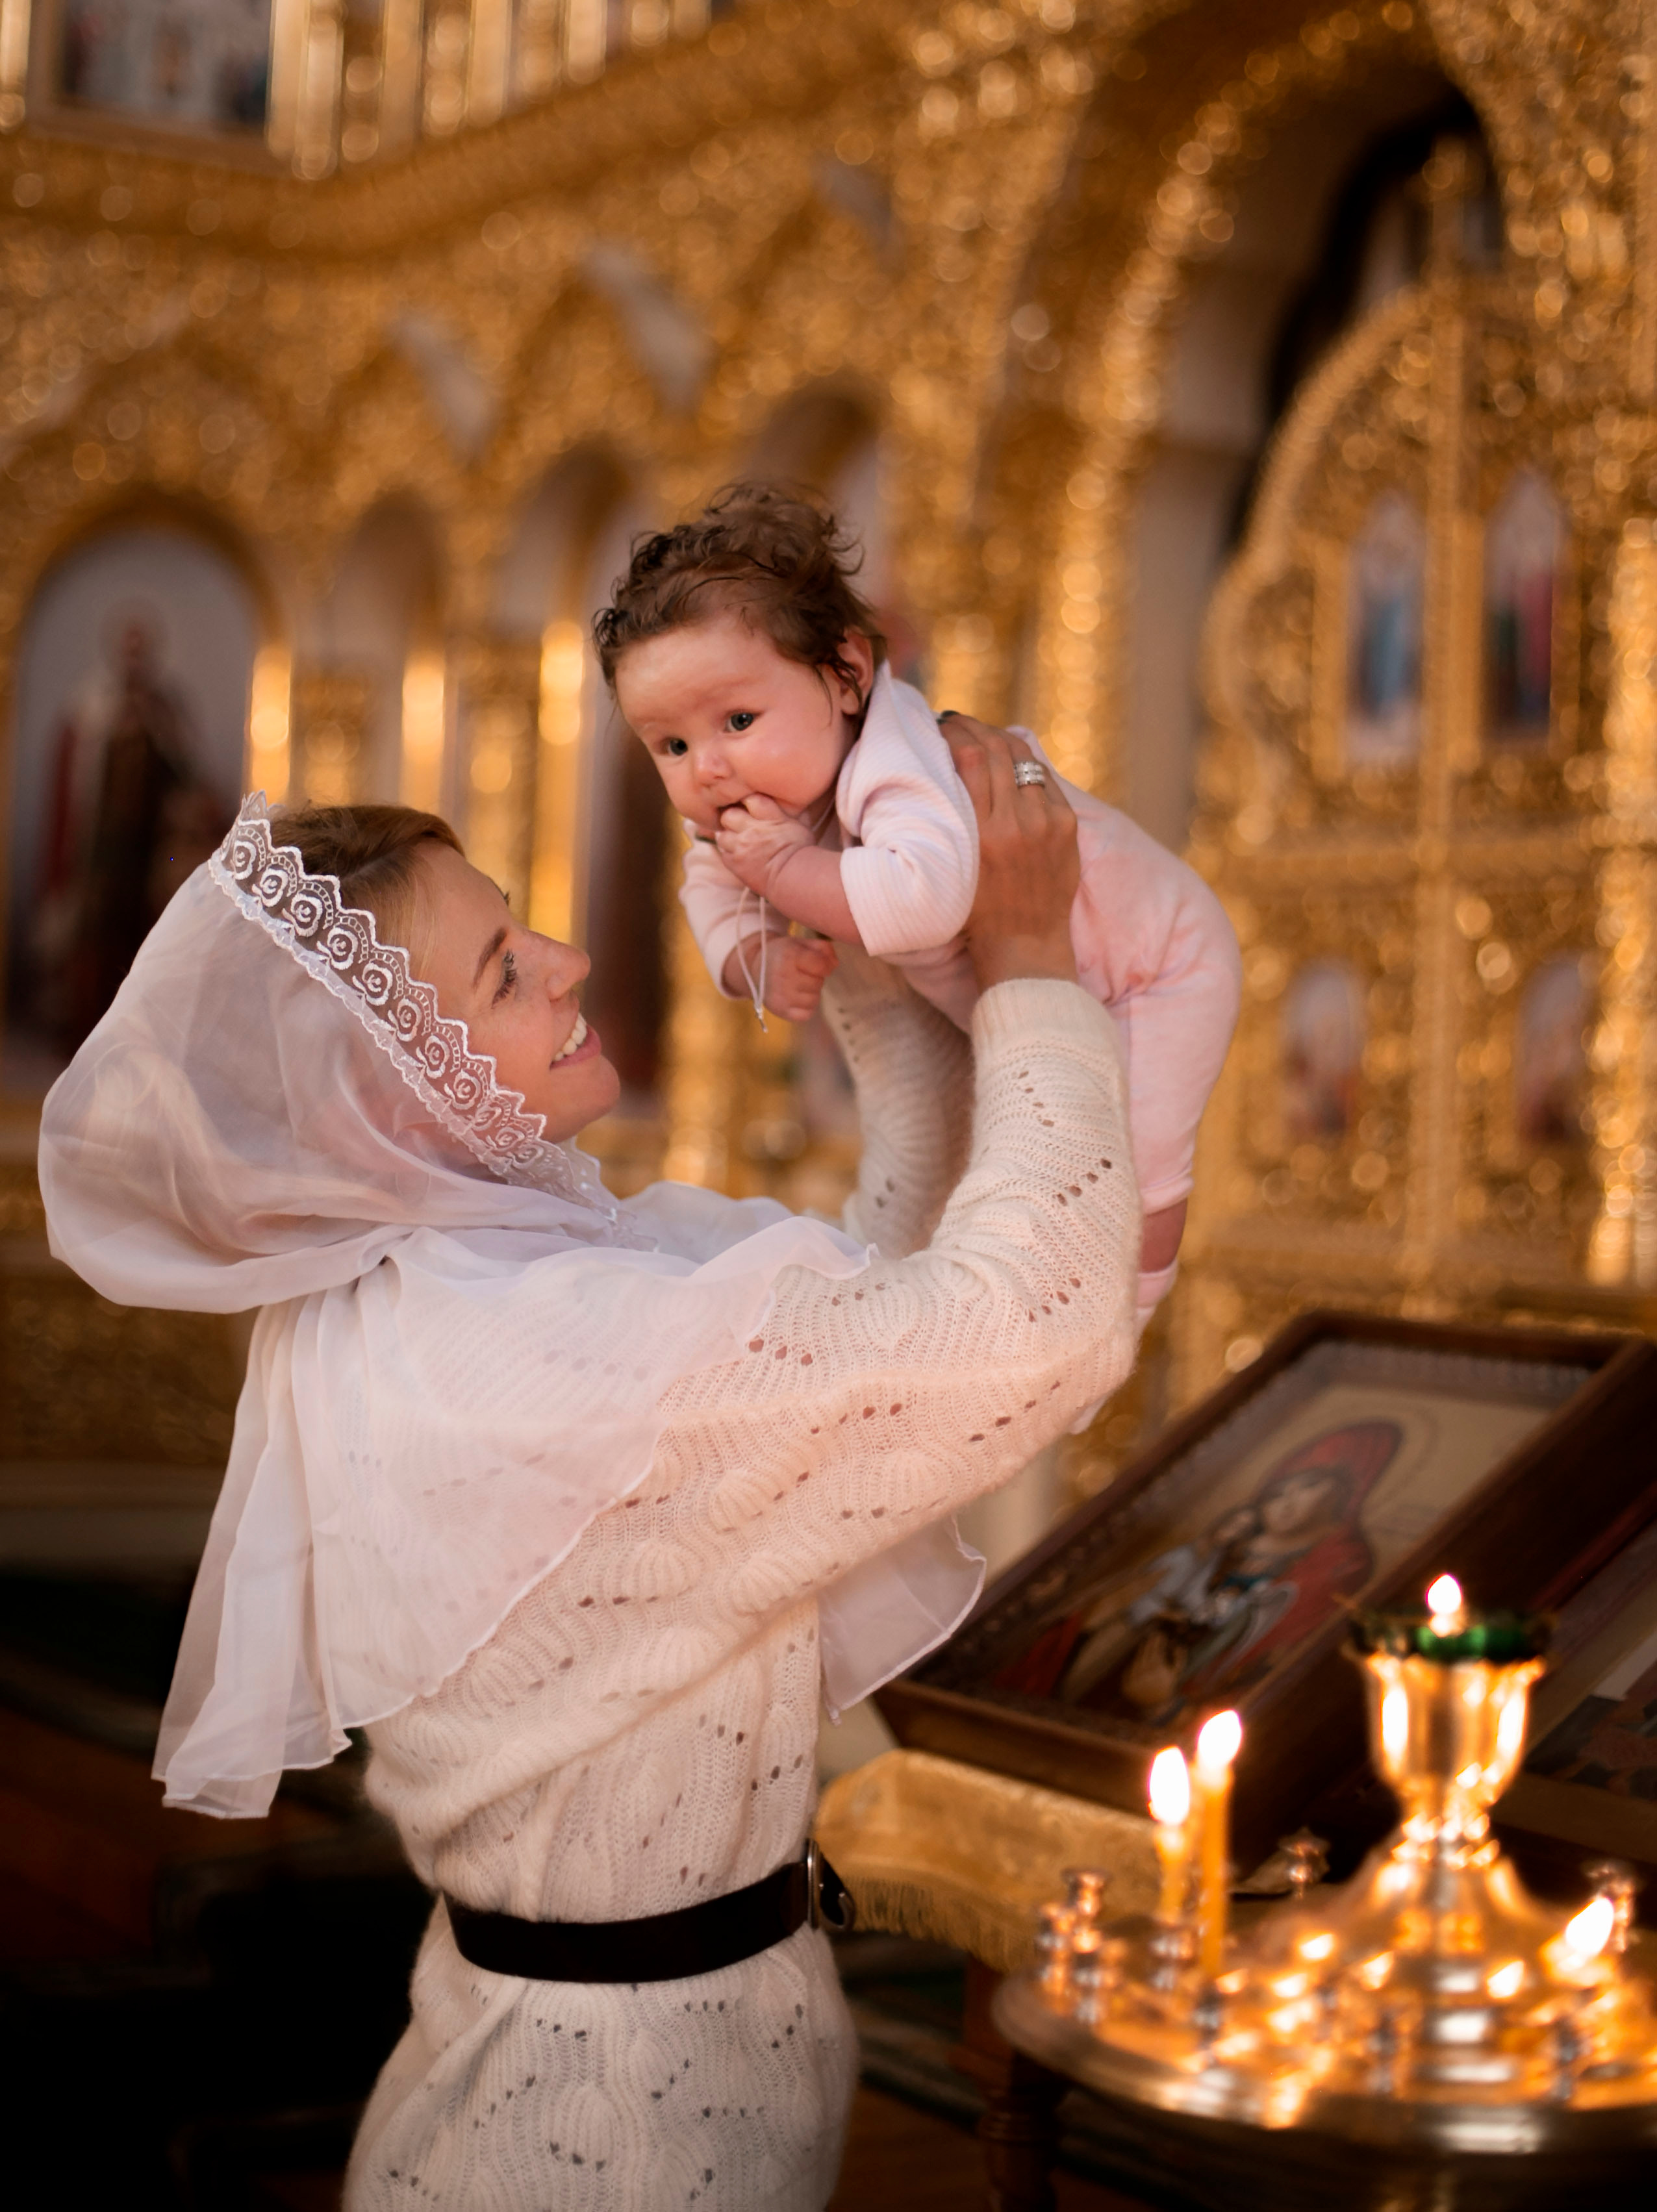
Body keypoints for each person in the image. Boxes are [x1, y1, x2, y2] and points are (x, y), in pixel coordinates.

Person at [38, 722, 1141, 2210]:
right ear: (392, 1090)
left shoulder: (458, 1283)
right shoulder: (533, 1348)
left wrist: (878, 980)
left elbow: (852, 1344)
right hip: (606, 2134)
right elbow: (1023, 1331)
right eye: (502, 966)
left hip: (577, 2060)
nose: (564, 955)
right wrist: (1024, 966)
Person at [594, 484, 1241, 1324]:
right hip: (1035, 988)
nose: (707, 766)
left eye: (739, 719)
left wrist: (787, 871)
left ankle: (1127, 1310)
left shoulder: (899, 766)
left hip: (1159, 965)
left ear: (849, 679)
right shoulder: (748, 810)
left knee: (1138, 1163)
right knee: (990, 1157)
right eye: (672, 745)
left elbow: (923, 900)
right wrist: (752, 958)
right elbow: (708, 887)